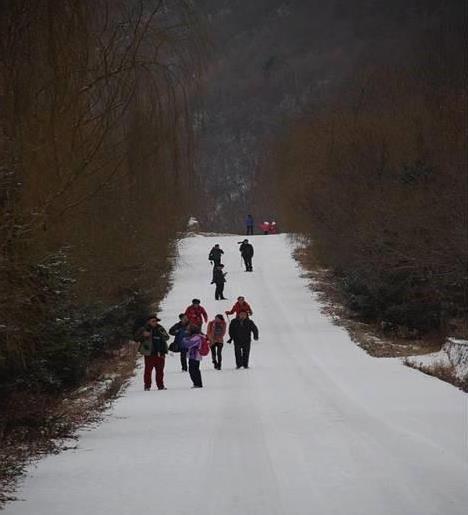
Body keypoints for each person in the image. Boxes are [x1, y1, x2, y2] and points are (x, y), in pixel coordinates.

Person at [134, 315, 170, 390]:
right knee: (148, 370)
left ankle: (160, 386)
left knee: (160, 371)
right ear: (148, 322)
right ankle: (147, 386)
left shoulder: (160, 328)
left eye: (156, 321)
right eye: (153, 321)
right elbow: (136, 338)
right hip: (149, 353)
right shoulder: (143, 329)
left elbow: (167, 337)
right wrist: (144, 335)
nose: (155, 322)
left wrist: (162, 334)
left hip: (160, 352)